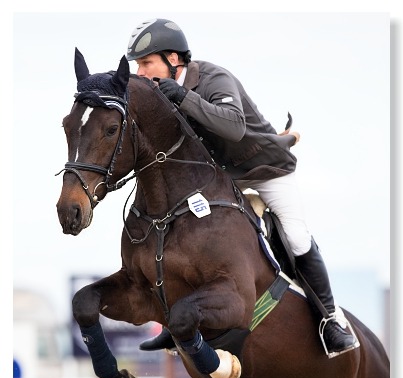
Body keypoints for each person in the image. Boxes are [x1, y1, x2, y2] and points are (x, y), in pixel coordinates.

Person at [126, 18, 359, 358]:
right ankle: (176, 321)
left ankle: (331, 319)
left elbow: (233, 127)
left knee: (295, 237)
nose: (141, 71)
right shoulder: (162, 92)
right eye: (138, 65)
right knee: (183, 232)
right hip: (222, 177)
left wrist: (184, 97)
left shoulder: (214, 78)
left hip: (265, 169)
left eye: (146, 63)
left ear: (173, 59)